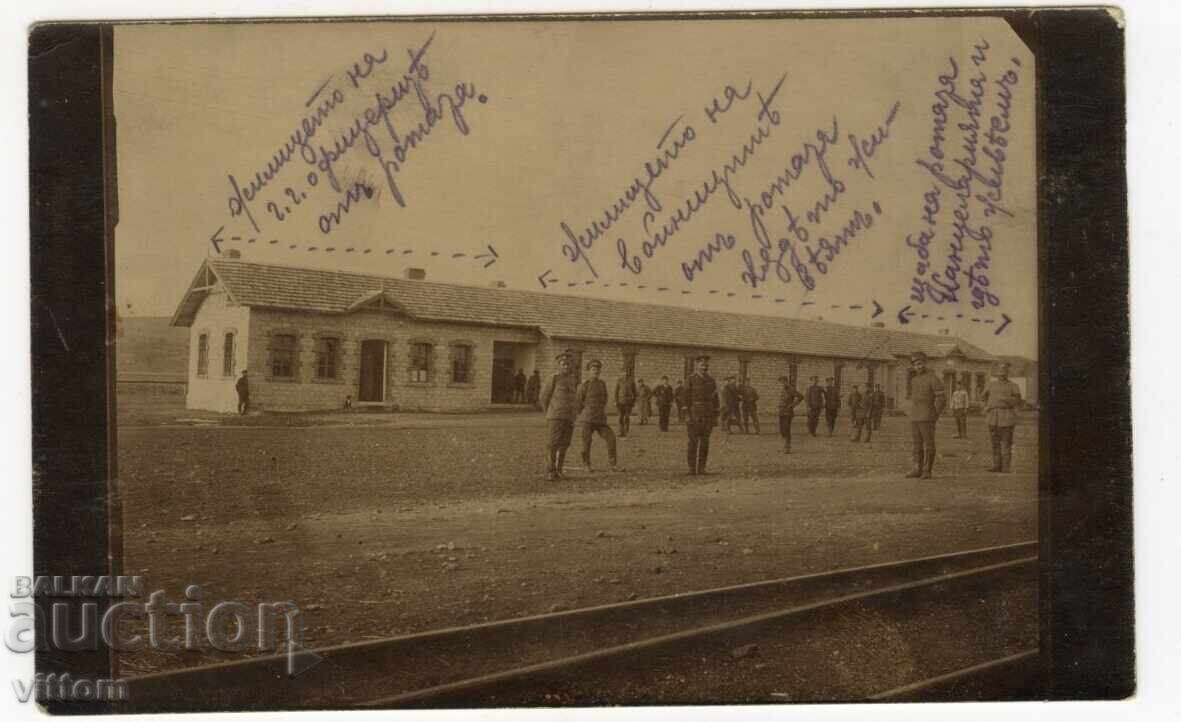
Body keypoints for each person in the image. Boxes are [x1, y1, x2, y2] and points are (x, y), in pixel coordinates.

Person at [905, 351, 947, 479]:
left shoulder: (933, 378)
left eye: (920, 364)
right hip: (915, 416)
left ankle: (927, 470)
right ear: (913, 366)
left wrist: (935, 414)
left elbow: (941, 398)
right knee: (916, 444)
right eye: (916, 364)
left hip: (928, 416)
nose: (918, 366)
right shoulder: (914, 380)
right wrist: (909, 410)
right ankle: (917, 469)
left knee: (929, 444)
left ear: (925, 363)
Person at [540, 351, 579, 480]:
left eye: (568, 364)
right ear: (559, 365)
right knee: (553, 444)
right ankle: (551, 471)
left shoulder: (572, 379)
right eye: (563, 364)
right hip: (555, 416)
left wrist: (574, 414)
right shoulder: (554, 378)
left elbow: (574, 399)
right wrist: (549, 412)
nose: (566, 366)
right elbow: (544, 397)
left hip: (569, 417)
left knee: (565, 444)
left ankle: (559, 470)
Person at [578, 359, 618, 470]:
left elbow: (605, 398)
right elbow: (579, 401)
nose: (596, 371)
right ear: (589, 371)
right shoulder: (584, 385)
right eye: (593, 369)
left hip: (600, 418)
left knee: (611, 438)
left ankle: (613, 464)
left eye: (597, 369)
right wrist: (586, 411)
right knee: (586, 442)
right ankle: (586, 464)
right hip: (587, 418)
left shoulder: (602, 384)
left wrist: (599, 410)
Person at [982, 362, 1022, 473]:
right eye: (1000, 373)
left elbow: (1018, 400)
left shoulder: (1013, 386)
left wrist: (1006, 400)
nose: (1001, 374)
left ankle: (1006, 467)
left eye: (1004, 372)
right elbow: (983, 397)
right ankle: (996, 465)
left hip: (1007, 417)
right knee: (995, 443)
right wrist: (986, 406)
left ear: (1007, 373)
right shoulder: (991, 385)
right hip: (992, 417)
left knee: (1006, 443)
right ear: (997, 374)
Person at [685, 355, 719, 474]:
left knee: (705, 442)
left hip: (708, 414)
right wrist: (687, 415)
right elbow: (685, 398)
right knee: (693, 442)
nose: (704, 367)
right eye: (702, 365)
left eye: (706, 365)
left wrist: (715, 416)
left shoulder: (711, 380)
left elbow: (715, 399)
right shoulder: (690, 379)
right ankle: (691, 468)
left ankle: (702, 468)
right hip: (694, 414)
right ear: (697, 365)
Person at [777, 376, 804, 453]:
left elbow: (801, 397)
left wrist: (792, 405)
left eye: (783, 382)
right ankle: (784, 445)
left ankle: (787, 447)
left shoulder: (791, 389)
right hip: (781, 412)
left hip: (788, 412)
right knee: (782, 430)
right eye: (781, 382)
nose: (782, 383)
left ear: (786, 381)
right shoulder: (782, 389)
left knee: (786, 429)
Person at [615, 371, 637, 437]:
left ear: (628, 373)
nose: (624, 374)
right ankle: (620, 432)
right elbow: (616, 392)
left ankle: (626, 431)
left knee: (627, 417)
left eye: (626, 372)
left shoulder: (631, 381)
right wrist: (616, 401)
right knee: (620, 417)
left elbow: (634, 392)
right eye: (623, 372)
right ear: (621, 373)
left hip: (628, 402)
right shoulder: (619, 381)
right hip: (620, 402)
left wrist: (633, 401)